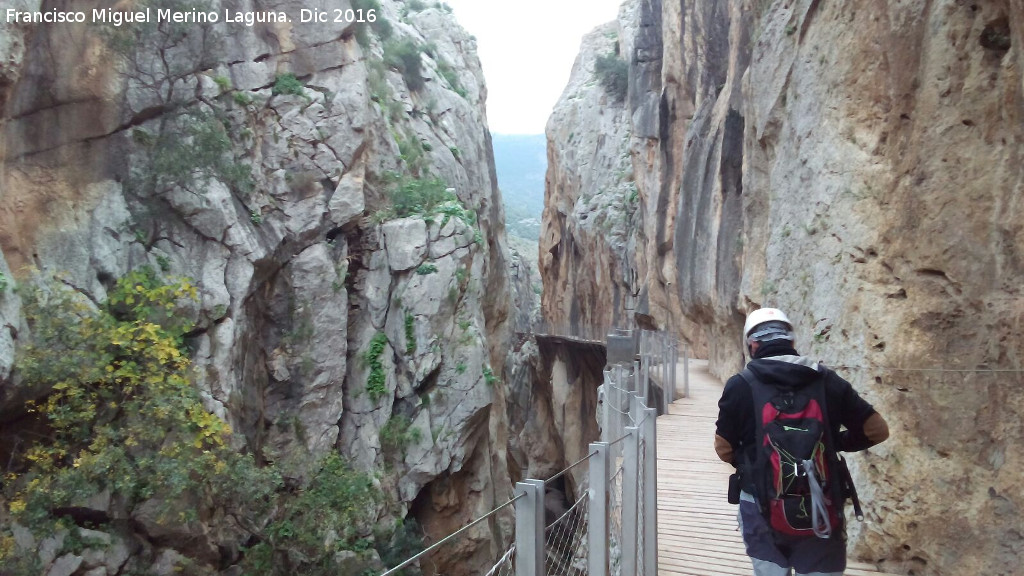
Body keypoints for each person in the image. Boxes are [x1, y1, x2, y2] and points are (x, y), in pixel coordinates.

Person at [715, 308, 890, 576]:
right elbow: (877, 430)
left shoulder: (740, 385)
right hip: (821, 502)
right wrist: (834, 442)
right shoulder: (826, 380)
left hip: (761, 505)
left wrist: (752, 462)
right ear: (792, 341)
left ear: (752, 344)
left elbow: (723, 447)